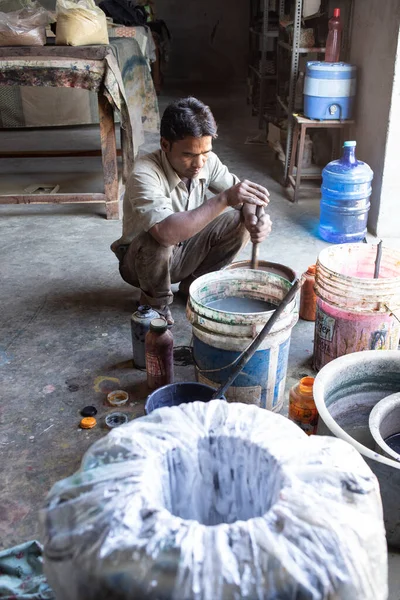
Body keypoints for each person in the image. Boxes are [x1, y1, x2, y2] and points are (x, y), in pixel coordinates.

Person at [111, 96, 272, 325]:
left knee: (240, 222)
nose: (199, 163)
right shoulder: (144, 173)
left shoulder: (208, 161)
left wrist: (256, 219)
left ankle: (193, 286)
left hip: (186, 249)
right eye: (188, 155)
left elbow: (247, 199)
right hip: (141, 263)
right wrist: (224, 198)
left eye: (205, 152)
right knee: (158, 238)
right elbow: (165, 233)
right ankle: (154, 302)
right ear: (165, 145)